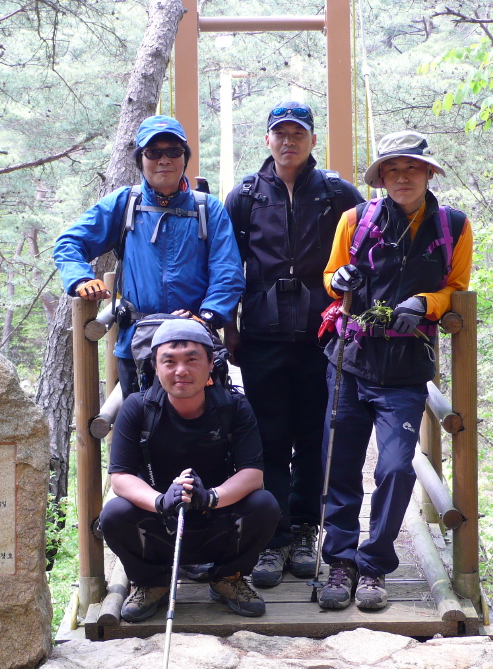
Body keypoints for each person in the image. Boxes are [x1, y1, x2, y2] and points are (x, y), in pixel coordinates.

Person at [317, 130, 473, 611]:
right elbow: (330, 278)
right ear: (381, 177)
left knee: (393, 467)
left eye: (411, 168)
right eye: (392, 169)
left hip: (406, 371)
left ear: (428, 173)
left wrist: (425, 303)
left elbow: (458, 288)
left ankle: (374, 566)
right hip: (349, 361)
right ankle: (340, 562)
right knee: (339, 466)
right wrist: (338, 280)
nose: (402, 177)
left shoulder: (453, 226)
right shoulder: (355, 220)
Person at [223, 102, 364, 587]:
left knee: (313, 435)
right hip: (261, 336)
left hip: (321, 335)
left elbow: (362, 257)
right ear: (267, 140)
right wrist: (231, 327)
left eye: (297, 133)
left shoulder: (337, 193)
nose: (288, 141)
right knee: (267, 437)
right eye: (279, 134)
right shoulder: (243, 196)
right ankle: (273, 536)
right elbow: (230, 266)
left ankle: (306, 530)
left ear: (311, 140)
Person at [99, 318, 280, 621]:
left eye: (192, 360)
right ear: (155, 366)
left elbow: (253, 474)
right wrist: (159, 501)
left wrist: (210, 497)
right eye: (168, 361)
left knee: (265, 505)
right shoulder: (137, 408)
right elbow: (121, 477)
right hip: (161, 528)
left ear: (211, 364)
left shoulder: (233, 407)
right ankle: (152, 581)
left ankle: (227, 577)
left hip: (219, 522)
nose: (180, 371)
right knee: (114, 514)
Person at [53, 115, 245, 396]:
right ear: (140, 159)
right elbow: (69, 242)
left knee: (199, 433)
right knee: (140, 430)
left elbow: (227, 271)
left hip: (193, 345)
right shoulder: (125, 203)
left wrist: (207, 317)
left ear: (184, 158)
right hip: (137, 344)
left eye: (173, 151)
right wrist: (80, 279)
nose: (164, 160)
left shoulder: (207, 208)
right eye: (153, 152)